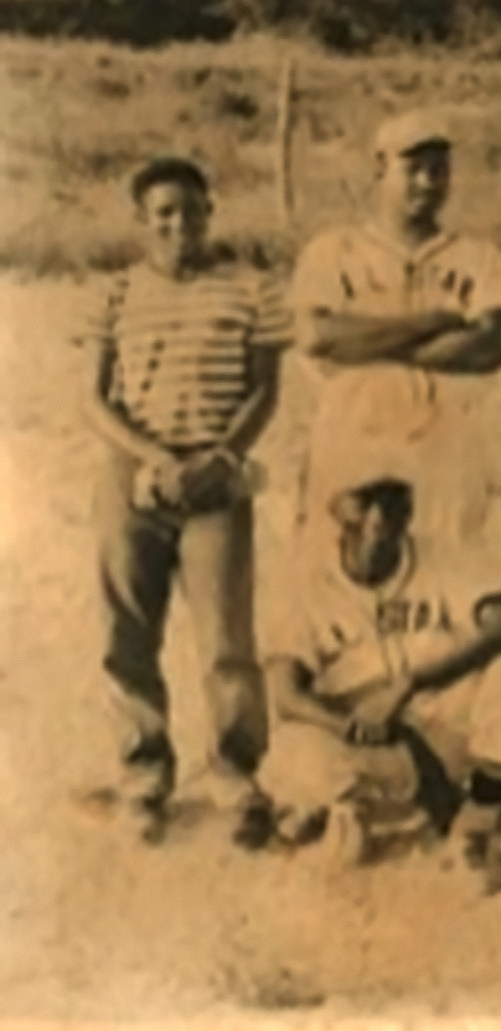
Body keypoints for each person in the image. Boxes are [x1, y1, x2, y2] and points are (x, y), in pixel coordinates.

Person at [80, 156, 290, 847]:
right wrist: (157, 459)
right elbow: (93, 398)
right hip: (135, 478)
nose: (180, 225)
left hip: (217, 480)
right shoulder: (114, 292)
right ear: (142, 222)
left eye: (192, 210)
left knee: (227, 638)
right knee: (129, 632)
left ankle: (236, 776)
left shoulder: (251, 290)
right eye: (164, 213)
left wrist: (221, 459)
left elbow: (265, 389)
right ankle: (144, 777)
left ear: (211, 213)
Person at [261, 477, 501, 886]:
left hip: (450, 728)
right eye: (364, 501)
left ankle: (476, 823)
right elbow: (285, 695)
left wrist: (407, 685)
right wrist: (352, 725)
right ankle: (351, 812)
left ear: (409, 510)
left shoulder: (439, 557)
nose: (377, 516)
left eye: (390, 500)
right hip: (369, 742)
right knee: (291, 750)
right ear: (337, 508)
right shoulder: (307, 580)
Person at [289, 110, 501, 560]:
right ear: (379, 168)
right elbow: (318, 336)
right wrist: (430, 322)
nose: (427, 182)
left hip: (445, 433)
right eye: (413, 169)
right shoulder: (333, 251)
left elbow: (488, 347)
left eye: (438, 170)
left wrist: (368, 341)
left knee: (448, 567)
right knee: (343, 567)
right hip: (353, 427)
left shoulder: (480, 257)